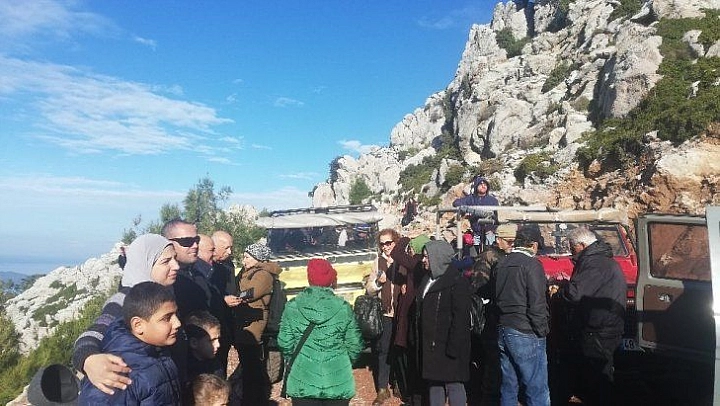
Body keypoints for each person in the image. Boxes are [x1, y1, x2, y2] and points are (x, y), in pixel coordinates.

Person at [72, 234, 179, 395]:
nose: (176, 266)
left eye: (175, 258)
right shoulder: (124, 301)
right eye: (166, 261)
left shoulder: (165, 294)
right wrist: (89, 360)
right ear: (144, 264)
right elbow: (93, 334)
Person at [552, 227, 626, 406]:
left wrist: (558, 292)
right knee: (596, 372)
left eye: (572, 246)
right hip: (605, 324)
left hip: (599, 328)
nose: (571, 251)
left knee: (597, 375)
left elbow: (576, 293)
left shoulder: (595, 263)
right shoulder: (601, 261)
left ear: (582, 245)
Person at [79, 282, 183, 405]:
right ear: (138, 325)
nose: (178, 323)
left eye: (176, 314)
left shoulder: (157, 349)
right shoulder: (114, 373)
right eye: (166, 318)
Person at [278, 258, 364, 406]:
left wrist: (297, 360)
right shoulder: (343, 308)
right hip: (337, 380)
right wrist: (343, 361)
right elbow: (355, 344)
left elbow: (285, 342)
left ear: (309, 278)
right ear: (331, 279)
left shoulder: (293, 306)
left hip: (303, 379)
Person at [494, 226, 550, 406]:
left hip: (504, 327)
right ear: (533, 245)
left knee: (508, 385)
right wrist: (542, 330)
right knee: (537, 387)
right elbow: (537, 302)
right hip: (526, 329)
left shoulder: (501, 263)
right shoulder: (532, 264)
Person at [466, 223, 517, 405]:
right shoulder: (488, 256)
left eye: (513, 241)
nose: (511, 244)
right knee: (492, 361)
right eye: (509, 241)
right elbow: (478, 287)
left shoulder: (510, 256)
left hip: (504, 317)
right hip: (489, 317)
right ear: (499, 240)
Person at [416, 240, 471, 406]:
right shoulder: (427, 278)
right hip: (431, 345)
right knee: (434, 384)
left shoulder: (457, 281)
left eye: (426, 257)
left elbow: (460, 318)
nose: (423, 260)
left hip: (449, 345)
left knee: (454, 384)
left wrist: (453, 348)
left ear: (437, 257)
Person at [234, 242, 281, 405]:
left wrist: (235, 294)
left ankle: (254, 398)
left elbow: (251, 293)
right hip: (247, 319)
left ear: (257, 258)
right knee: (248, 361)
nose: (244, 261)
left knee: (251, 362)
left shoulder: (263, 275)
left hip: (254, 321)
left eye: (247, 257)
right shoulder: (249, 272)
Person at [365, 228, 406, 405]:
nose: (385, 247)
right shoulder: (377, 262)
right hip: (386, 313)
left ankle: (399, 384)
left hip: (402, 313)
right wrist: (377, 283)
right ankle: (382, 388)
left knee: (401, 349)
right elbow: (369, 289)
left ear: (395, 242)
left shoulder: (404, 260)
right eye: (382, 244)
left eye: (388, 243)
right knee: (384, 350)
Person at [390, 233, 431, 405]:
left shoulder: (416, 262)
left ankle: (414, 398)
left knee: (412, 361)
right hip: (419, 317)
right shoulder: (423, 265)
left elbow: (396, 253)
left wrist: (406, 238)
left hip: (411, 317)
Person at [210, 230, 239, 377]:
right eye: (226, 248)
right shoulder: (205, 268)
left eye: (231, 248)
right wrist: (223, 300)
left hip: (228, 321)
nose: (230, 252)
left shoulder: (229, 265)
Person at [452, 176, 499, 249]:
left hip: (490, 232)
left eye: (485, 184)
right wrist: (469, 210)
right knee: (476, 251)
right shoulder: (471, 199)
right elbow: (456, 203)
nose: (483, 186)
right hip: (476, 232)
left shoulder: (493, 200)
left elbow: (496, 217)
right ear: (476, 186)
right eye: (481, 184)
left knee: (490, 250)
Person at [185, 310, 224, 380]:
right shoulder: (186, 371)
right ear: (194, 343)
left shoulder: (216, 365)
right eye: (212, 340)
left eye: (218, 339)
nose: (218, 345)